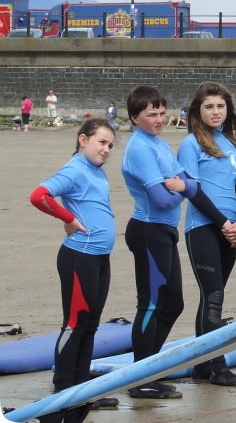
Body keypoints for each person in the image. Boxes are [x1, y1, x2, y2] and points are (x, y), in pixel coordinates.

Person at [29, 118, 119, 418]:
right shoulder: (75, 169)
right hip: (78, 257)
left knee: (90, 326)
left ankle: (82, 391)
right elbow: (39, 195)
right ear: (83, 140)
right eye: (101, 142)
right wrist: (67, 218)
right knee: (74, 325)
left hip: (99, 258)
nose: (106, 149)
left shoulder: (97, 171)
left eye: (110, 145)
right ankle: (62, 390)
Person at [121, 85, 197, 399]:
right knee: (151, 304)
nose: (159, 119)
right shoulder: (139, 147)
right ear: (134, 117)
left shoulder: (160, 144)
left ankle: (148, 370)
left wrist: (181, 188)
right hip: (148, 229)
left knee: (174, 303)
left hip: (164, 233)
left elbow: (190, 183)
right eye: (151, 114)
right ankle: (141, 380)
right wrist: (183, 189)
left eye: (163, 113)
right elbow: (161, 199)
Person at [177, 82, 236, 386]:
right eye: (209, 106)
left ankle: (199, 364)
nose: (216, 111)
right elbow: (192, 192)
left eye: (220, 106)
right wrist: (224, 222)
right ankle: (217, 366)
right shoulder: (191, 144)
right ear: (198, 110)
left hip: (232, 229)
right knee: (214, 296)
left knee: (210, 297)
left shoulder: (231, 145)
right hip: (204, 228)